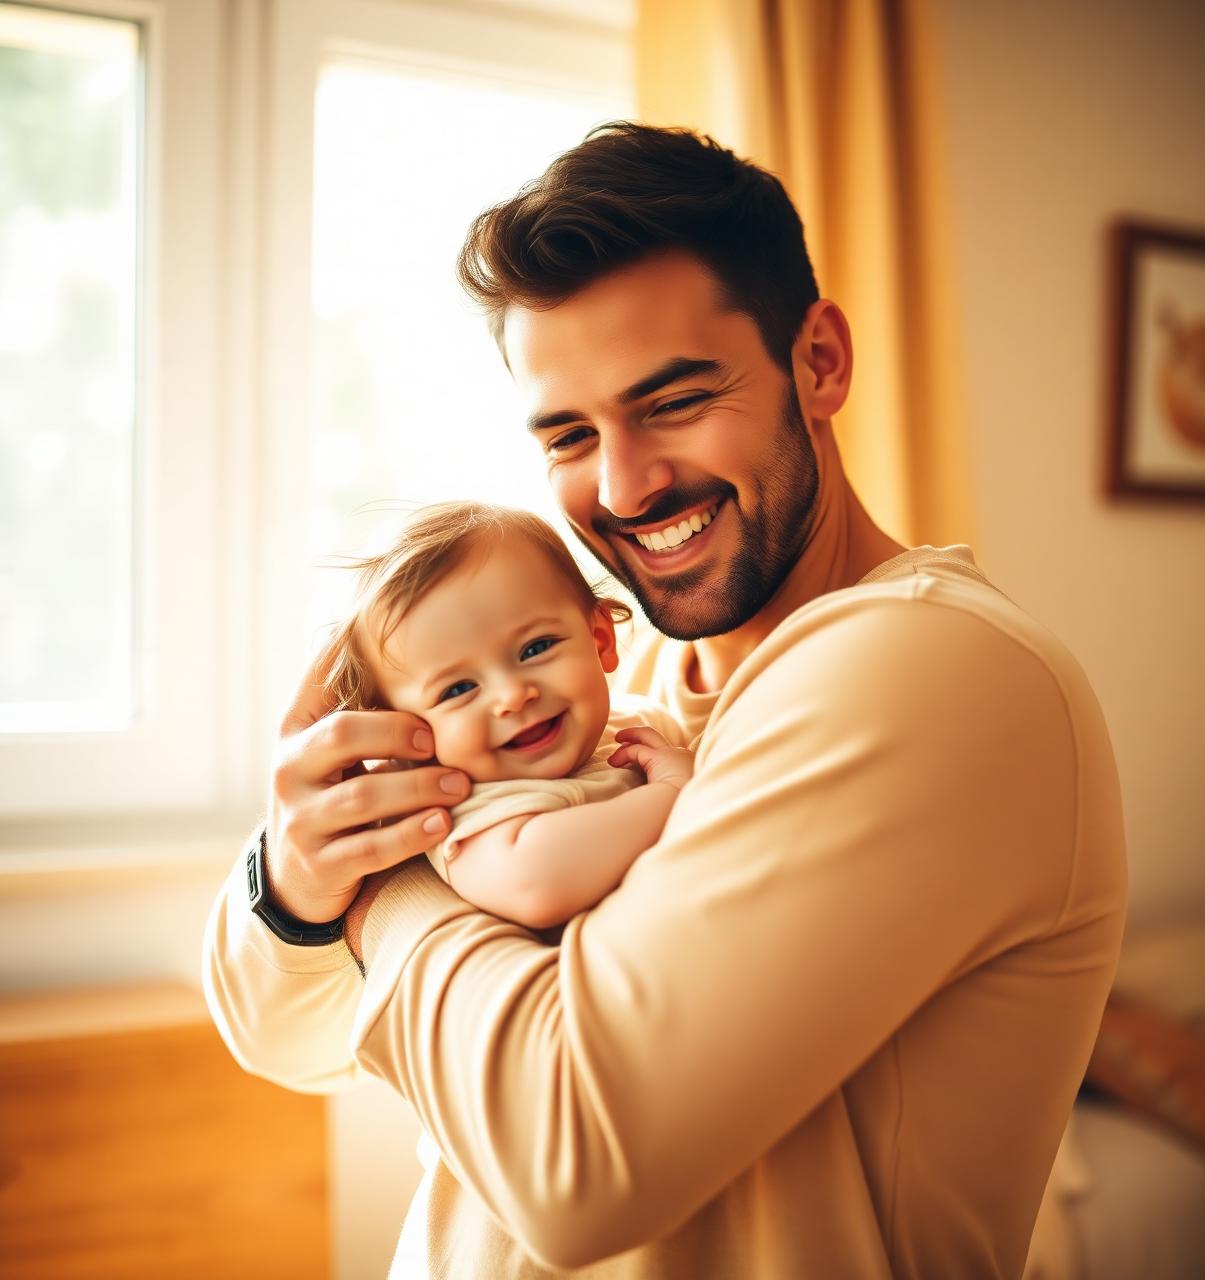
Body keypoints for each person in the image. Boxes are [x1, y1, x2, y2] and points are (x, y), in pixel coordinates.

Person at [203, 122, 1127, 1278]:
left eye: (674, 401)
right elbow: (290, 1037)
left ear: (819, 362)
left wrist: (396, 863)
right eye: (569, 434)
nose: (624, 482)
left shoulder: (931, 669)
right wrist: (294, 880)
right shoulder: (609, 692)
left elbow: (574, 1162)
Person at [318, 499, 693, 936]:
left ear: (600, 638)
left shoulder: (643, 726)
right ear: (398, 734)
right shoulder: (462, 807)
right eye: (458, 689)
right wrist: (674, 793)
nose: (513, 696)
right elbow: (537, 882)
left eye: (536, 648)